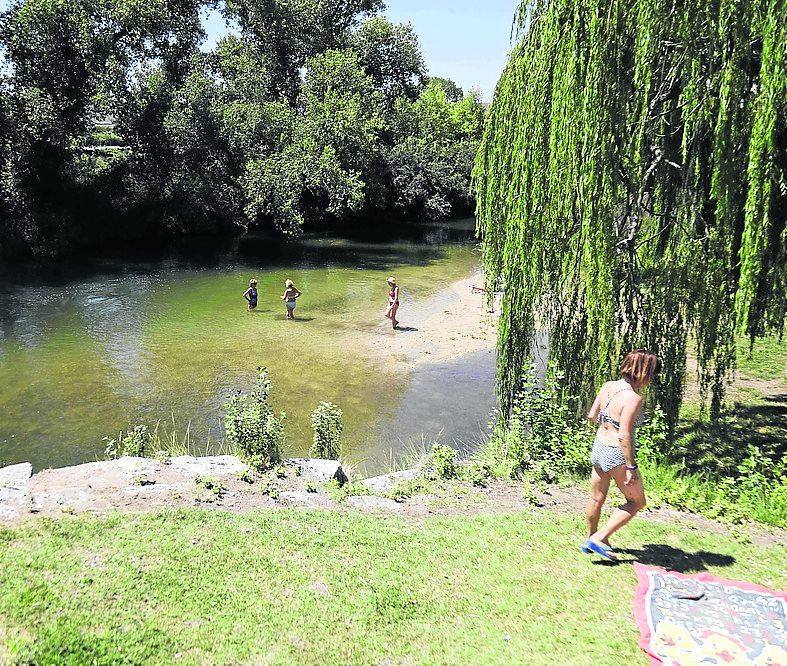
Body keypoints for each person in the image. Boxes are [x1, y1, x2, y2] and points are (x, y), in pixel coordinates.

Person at [583, 349, 659, 561]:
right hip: (616, 454)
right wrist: (630, 466)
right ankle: (599, 538)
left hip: (599, 447)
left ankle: (590, 538)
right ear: (643, 372)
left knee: (596, 498)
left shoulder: (608, 386)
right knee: (636, 502)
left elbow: (592, 416)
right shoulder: (633, 398)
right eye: (651, 373)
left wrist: (608, 424)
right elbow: (624, 435)